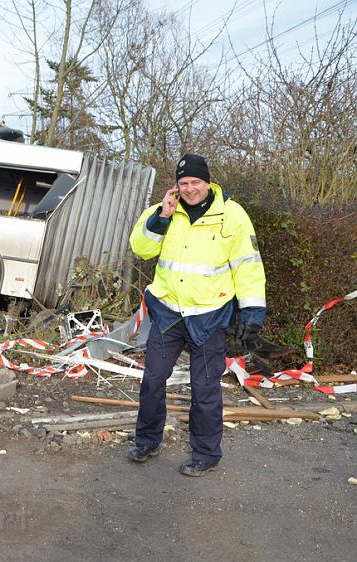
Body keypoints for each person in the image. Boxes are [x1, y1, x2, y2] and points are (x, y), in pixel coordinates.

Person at [127, 154, 266, 476]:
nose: (190, 189)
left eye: (195, 182)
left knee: (204, 388)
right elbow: (141, 249)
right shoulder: (164, 210)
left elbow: (248, 266)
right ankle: (147, 440)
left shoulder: (231, 215)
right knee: (152, 381)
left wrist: (253, 313)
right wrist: (162, 216)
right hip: (169, 312)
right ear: (177, 184)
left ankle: (205, 453)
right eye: (184, 183)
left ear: (208, 182)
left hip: (209, 315)